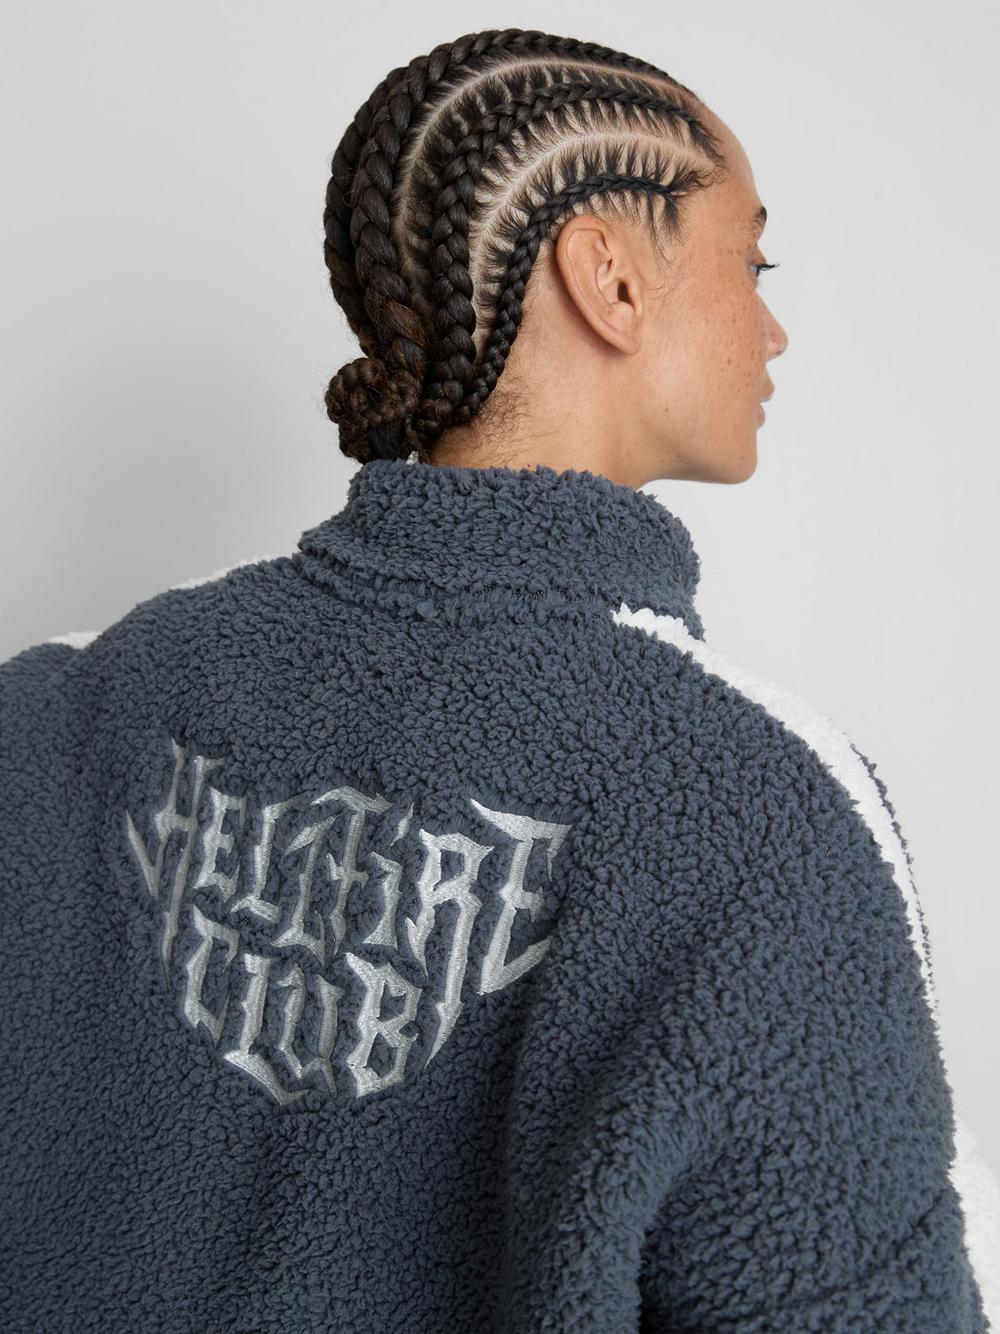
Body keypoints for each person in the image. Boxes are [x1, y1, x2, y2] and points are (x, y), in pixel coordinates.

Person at [1, 25, 996, 1334]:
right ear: (610, 279)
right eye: (751, 264)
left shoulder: (70, 709)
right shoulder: (767, 813)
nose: (775, 327)